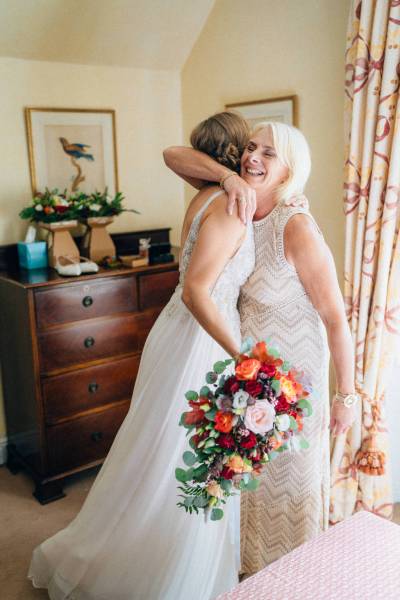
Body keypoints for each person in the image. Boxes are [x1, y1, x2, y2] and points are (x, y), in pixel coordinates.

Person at [28, 112, 255, 599]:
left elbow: (177, 157)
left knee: (158, 447)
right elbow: (199, 293)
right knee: (191, 456)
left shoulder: (205, 195)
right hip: (203, 339)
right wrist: (243, 356)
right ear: (236, 154)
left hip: (176, 331)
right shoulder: (228, 201)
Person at [164, 120, 357, 574]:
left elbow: (335, 318)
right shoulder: (240, 205)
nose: (254, 157)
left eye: (269, 153)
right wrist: (228, 177)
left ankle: (294, 578)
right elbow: (173, 156)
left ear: (290, 168)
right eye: (250, 148)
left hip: (296, 376)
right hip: (249, 368)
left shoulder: (297, 225)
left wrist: (348, 395)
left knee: (293, 482)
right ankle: (251, 574)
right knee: (249, 478)